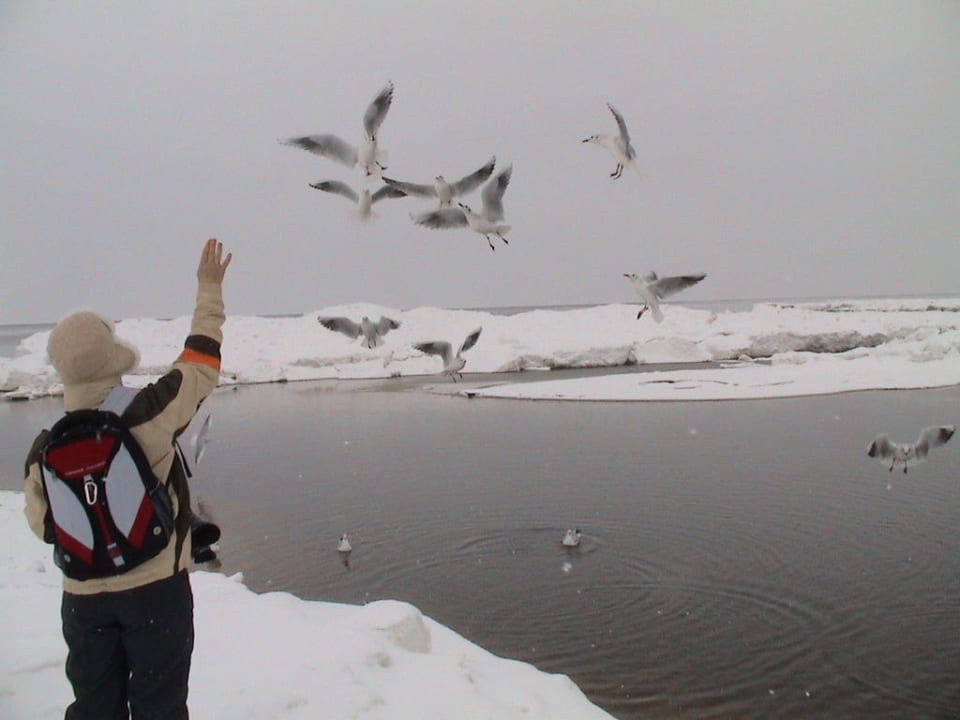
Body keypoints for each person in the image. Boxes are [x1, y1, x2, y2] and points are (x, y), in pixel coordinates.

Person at [23, 238, 232, 720]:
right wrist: (209, 290)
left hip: (83, 602)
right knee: (159, 707)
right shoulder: (147, 412)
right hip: (156, 592)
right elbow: (200, 363)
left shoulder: (45, 447)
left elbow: (44, 527)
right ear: (111, 356)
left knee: (95, 708)